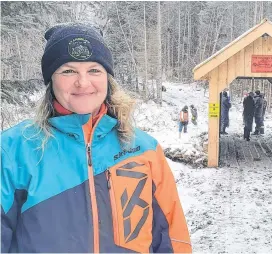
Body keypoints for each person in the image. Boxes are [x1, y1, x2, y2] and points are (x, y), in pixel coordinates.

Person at [1, 22, 192, 253]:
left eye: (94, 70)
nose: (83, 82)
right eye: (68, 71)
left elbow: (172, 238)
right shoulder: (12, 150)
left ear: (107, 79)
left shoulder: (145, 149)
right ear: (51, 80)